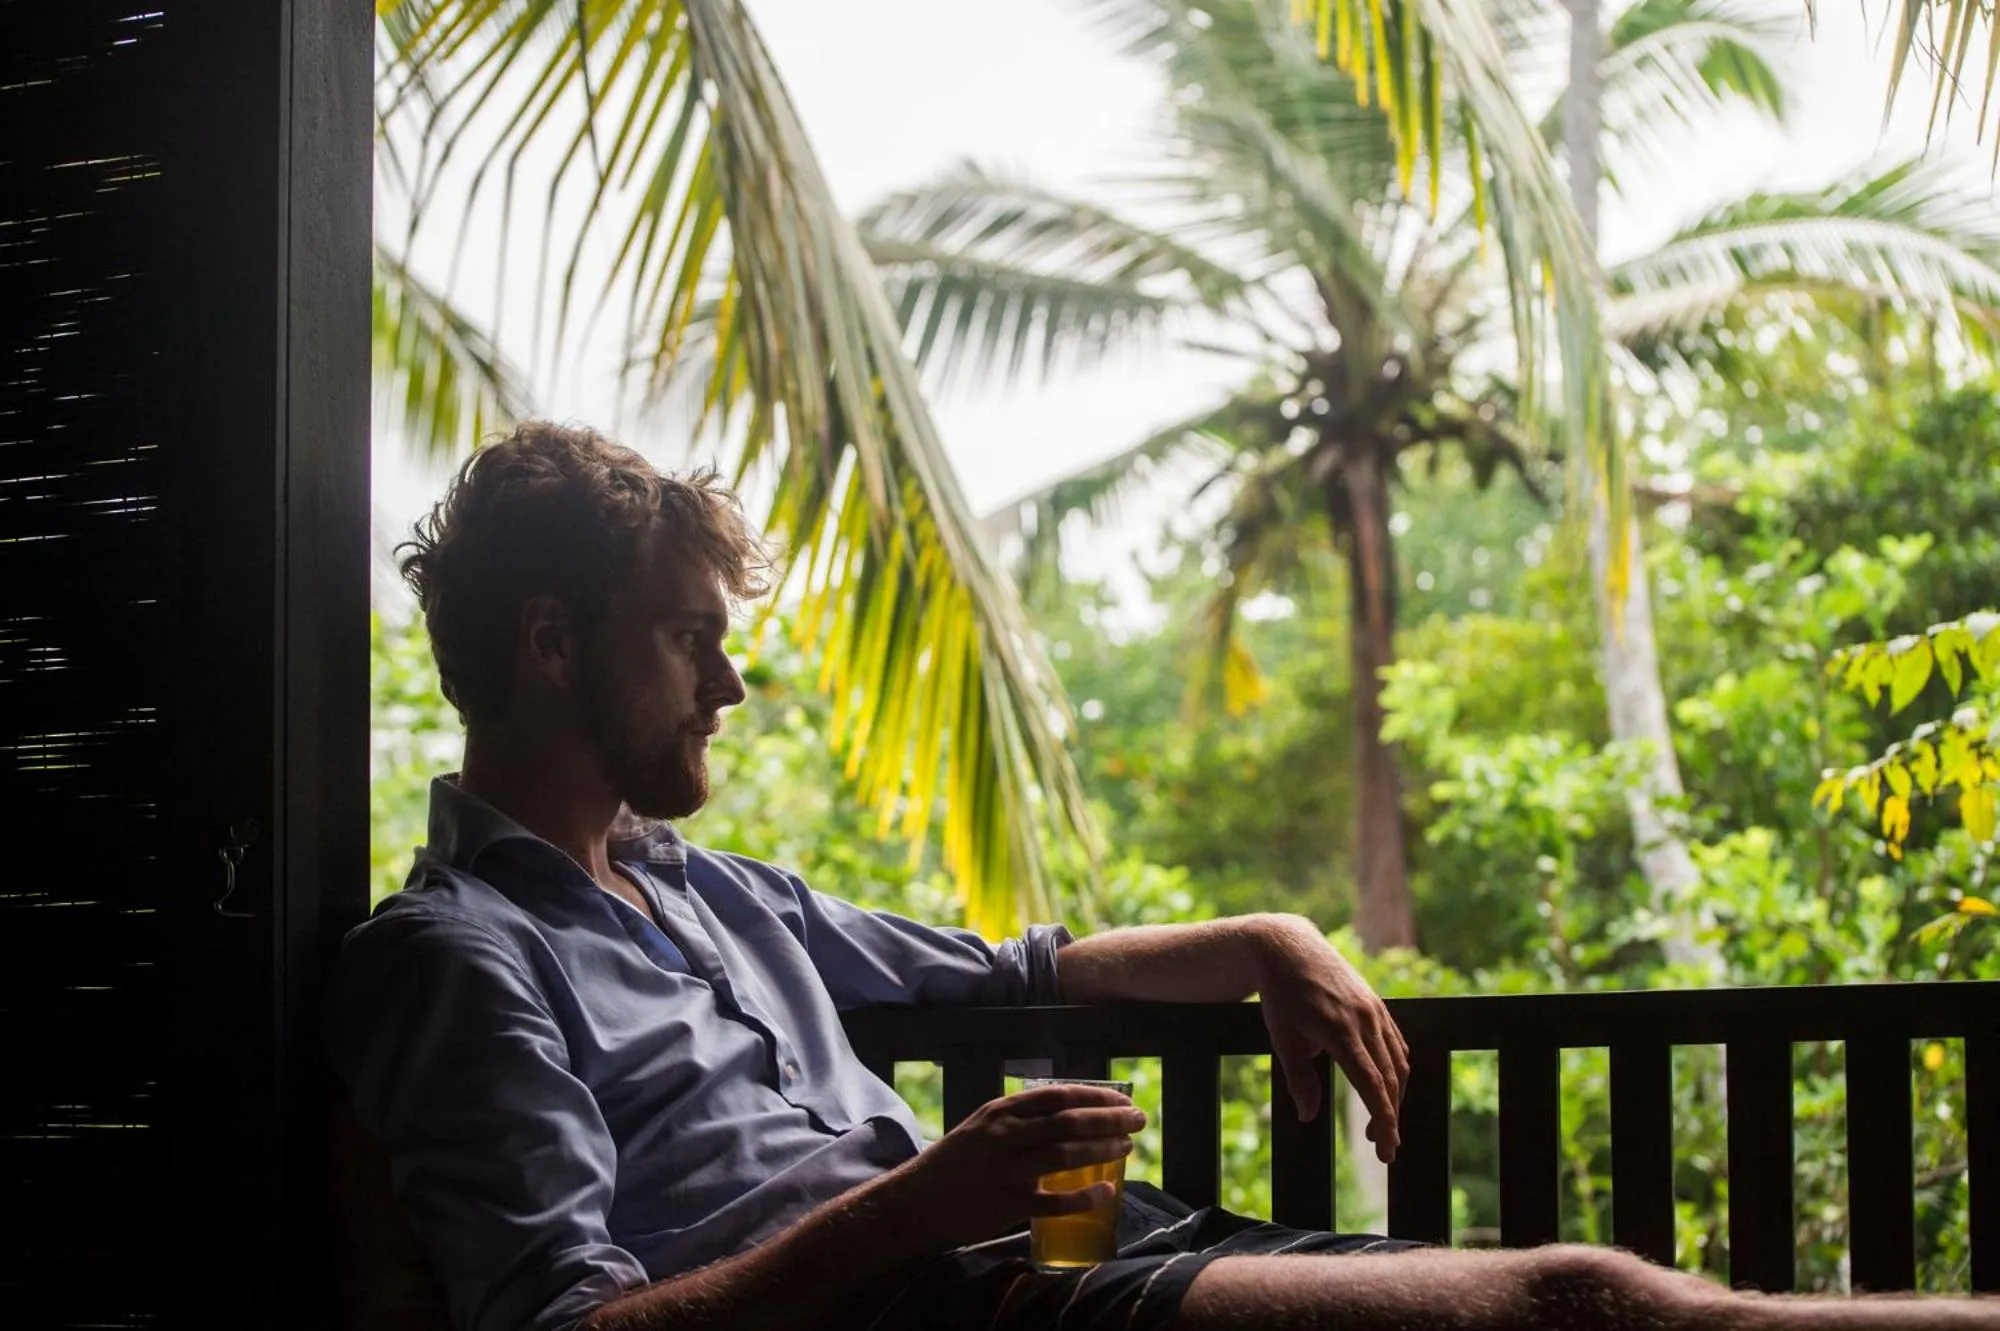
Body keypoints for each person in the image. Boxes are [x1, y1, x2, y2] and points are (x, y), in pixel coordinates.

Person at [328, 422, 1998, 1331]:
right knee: (1583, 1307)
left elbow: (1020, 965)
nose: (731, 686)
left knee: (1620, 1297)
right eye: (691, 640)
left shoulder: (701, 888)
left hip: (1066, 1258)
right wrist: (920, 1205)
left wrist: (1268, 933)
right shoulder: (457, 958)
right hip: (952, 1316)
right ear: (551, 646)